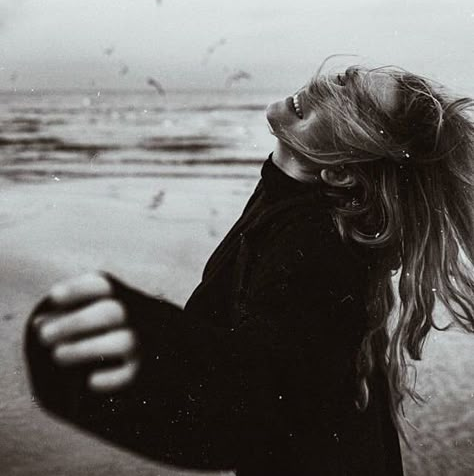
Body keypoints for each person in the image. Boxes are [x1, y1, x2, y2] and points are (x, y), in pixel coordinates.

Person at [24, 62, 474, 476]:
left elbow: (257, 397)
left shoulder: (319, 250)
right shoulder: (289, 202)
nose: (323, 83)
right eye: (344, 78)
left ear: (342, 172)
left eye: (350, 99)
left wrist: (146, 351)